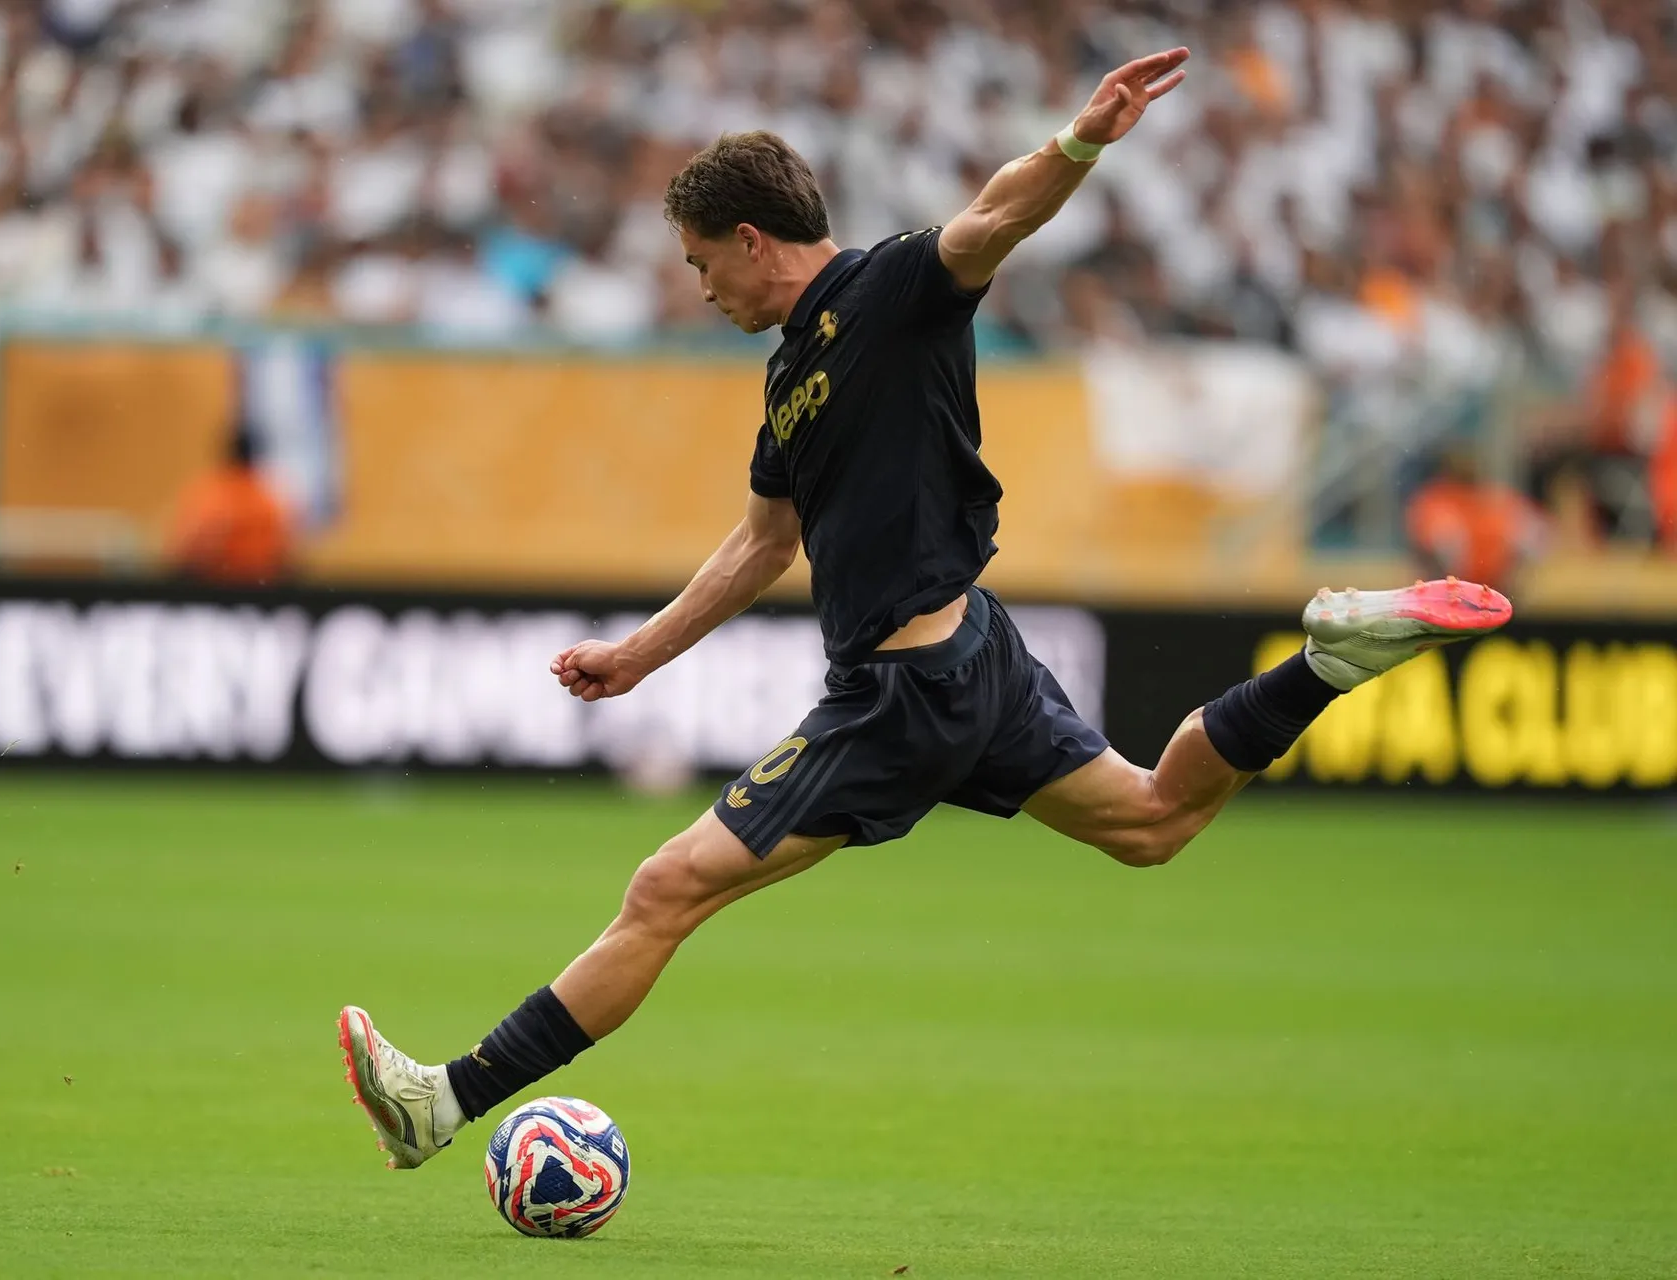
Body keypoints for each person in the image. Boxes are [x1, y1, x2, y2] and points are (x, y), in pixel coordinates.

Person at [336, 48, 1513, 1169]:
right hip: (975, 653)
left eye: (701, 263)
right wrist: (639, 654)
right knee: (1154, 816)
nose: (701, 288)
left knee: (665, 889)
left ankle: (444, 1102)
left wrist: (1078, 143)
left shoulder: (891, 288)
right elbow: (764, 542)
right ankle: (1328, 660)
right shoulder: (789, 376)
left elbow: (993, 218)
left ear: (751, 240)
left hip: (904, 690)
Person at [164, 427, 293, 586]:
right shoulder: (269, 498)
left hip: (218, 586)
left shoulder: (213, 496)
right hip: (260, 586)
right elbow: (283, 552)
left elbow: (186, 549)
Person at [1406, 448, 1548, 592]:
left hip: (1493, 585)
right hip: (1450, 586)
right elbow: (1445, 545)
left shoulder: (1495, 501)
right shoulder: (1435, 502)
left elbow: (1536, 536)